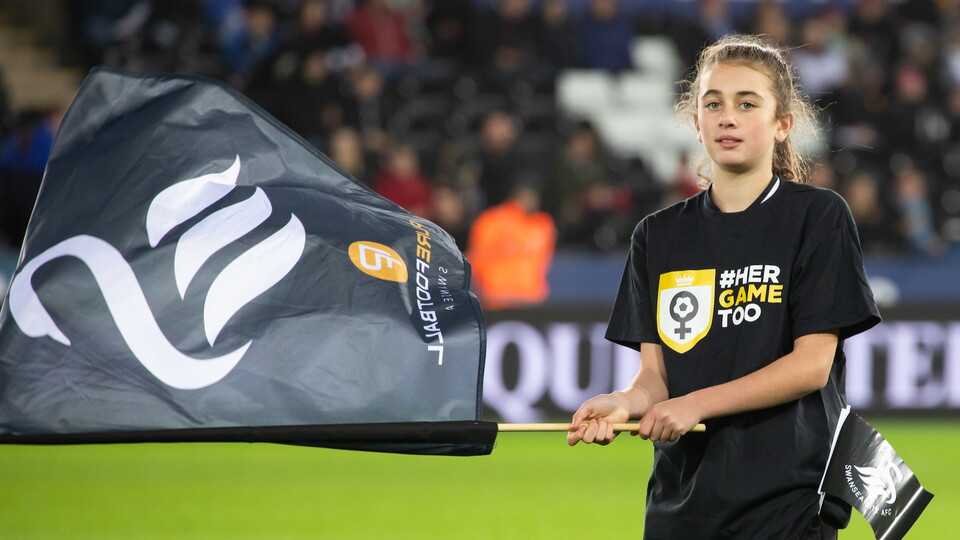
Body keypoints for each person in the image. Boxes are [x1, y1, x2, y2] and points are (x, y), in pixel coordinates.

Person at [566, 35, 881, 540]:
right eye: (712, 103)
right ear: (696, 122)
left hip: (786, 506)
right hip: (679, 509)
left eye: (746, 104)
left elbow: (811, 366)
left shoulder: (817, 216)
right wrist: (624, 402)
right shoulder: (658, 234)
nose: (726, 117)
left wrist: (697, 404)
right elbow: (656, 377)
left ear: (783, 125)